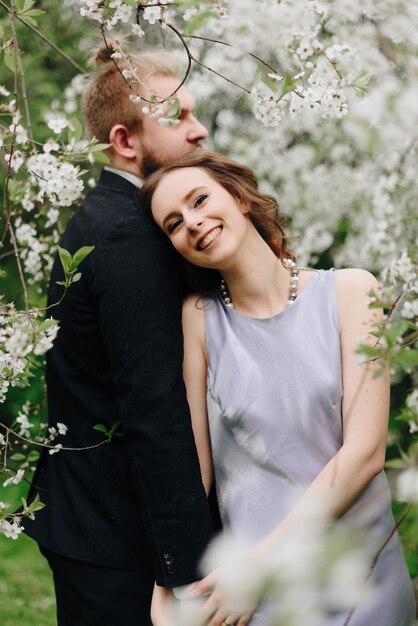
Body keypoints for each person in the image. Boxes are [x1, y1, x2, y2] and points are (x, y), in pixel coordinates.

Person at [140, 149, 416, 626]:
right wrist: (167, 582)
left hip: (361, 583)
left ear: (240, 197)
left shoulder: (352, 292)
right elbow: (195, 471)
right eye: (173, 224)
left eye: (200, 199)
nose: (192, 222)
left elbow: (365, 452)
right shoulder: (199, 320)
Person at [24, 44, 217, 626]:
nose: (199, 130)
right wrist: (187, 569)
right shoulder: (127, 238)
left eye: (194, 113)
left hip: (94, 519)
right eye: (176, 118)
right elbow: (154, 408)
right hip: (114, 539)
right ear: (125, 142)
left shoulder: (115, 217)